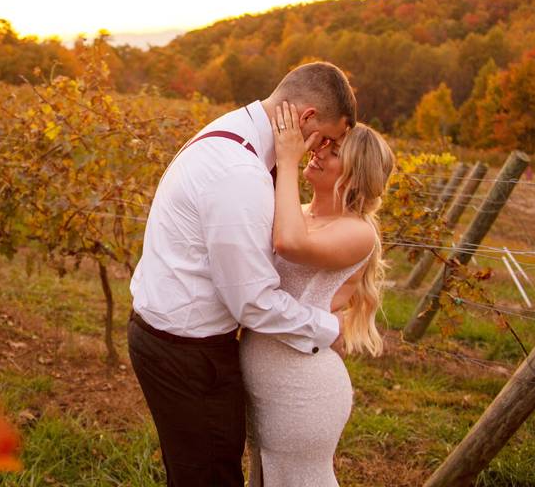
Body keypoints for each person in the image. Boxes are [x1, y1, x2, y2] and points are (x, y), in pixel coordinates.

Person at [128, 61, 356, 486]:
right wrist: (328, 327)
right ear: (305, 119)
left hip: (179, 340)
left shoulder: (237, 134)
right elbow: (252, 302)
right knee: (210, 477)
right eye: (325, 138)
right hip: (186, 354)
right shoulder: (238, 172)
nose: (321, 151)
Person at [241, 103, 394, 487]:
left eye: (334, 151)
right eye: (322, 144)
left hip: (303, 388)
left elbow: (289, 243)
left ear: (357, 176)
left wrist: (287, 160)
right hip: (261, 376)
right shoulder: (302, 210)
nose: (318, 151)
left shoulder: (358, 231)